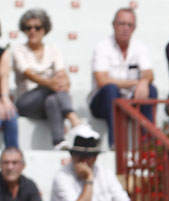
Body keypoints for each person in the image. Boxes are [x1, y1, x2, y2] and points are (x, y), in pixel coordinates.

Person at [10, 9, 83, 146]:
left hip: (47, 103)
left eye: (37, 27)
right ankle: (74, 119)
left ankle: (59, 141)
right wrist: (53, 84)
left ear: (45, 29)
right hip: (26, 102)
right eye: (28, 27)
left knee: (53, 99)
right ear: (23, 30)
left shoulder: (53, 49)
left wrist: (63, 82)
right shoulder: (18, 50)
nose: (33, 31)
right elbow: (28, 74)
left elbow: (62, 74)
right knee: (50, 90)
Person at [89, 7, 157, 146]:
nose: (125, 28)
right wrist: (137, 82)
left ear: (134, 28)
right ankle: (115, 144)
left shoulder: (140, 47)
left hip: (128, 101)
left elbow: (149, 74)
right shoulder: (102, 46)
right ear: (113, 25)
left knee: (151, 89)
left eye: (129, 25)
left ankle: (148, 143)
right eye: (122, 24)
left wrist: (144, 81)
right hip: (102, 103)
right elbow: (102, 80)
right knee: (111, 90)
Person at [0, 22, 20, 148]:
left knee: (10, 114)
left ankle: (11, 159)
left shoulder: (3, 52)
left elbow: (4, 76)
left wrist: (4, 100)